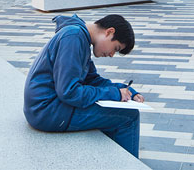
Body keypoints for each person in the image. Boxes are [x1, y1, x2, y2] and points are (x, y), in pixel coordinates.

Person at [24, 13, 143, 156]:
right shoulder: (73, 38)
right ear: (109, 32)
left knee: (115, 111)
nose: (111, 55)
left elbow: (93, 80)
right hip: (47, 112)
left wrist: (123, 90)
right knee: (129, 117)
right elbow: (69, 92)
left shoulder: (79, 37)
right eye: (116, 48)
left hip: (47, 107)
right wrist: (114, 94)